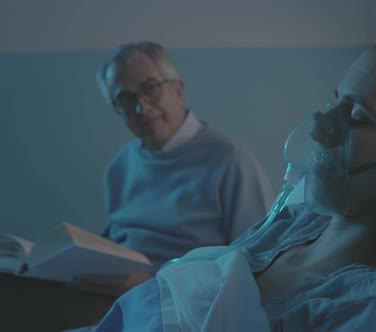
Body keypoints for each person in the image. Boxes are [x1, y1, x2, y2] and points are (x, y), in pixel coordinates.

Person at [91, 34, 376, 331]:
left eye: (357, 116)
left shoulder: (351, 309)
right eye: (335, 100)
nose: (319, 126)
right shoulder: (297, 220)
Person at [90, 41, 275, 295]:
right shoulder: (120, 166)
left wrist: (154, 287)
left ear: (178, 89)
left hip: (188, 310)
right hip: (117, 299)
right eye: (125, 98)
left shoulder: (230, 160)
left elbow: (260, 265)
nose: (141, 107)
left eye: (150, 88)